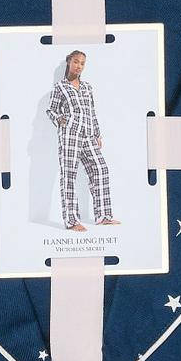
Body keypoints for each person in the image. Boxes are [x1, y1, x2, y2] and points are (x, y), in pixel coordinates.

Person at [46, 50, 120, 231]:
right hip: (70, 134)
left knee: (101, 169)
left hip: (88, 135)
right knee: (69, 175)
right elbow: (51, 110)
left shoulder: (87, 87)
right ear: (69, 62)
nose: (79, 66)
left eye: (82, 63)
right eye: (76, 62)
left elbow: (91, 112)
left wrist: (97, 134)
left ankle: (103, 216)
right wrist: (60, 120)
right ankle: (72, 221)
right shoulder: (60, 87)